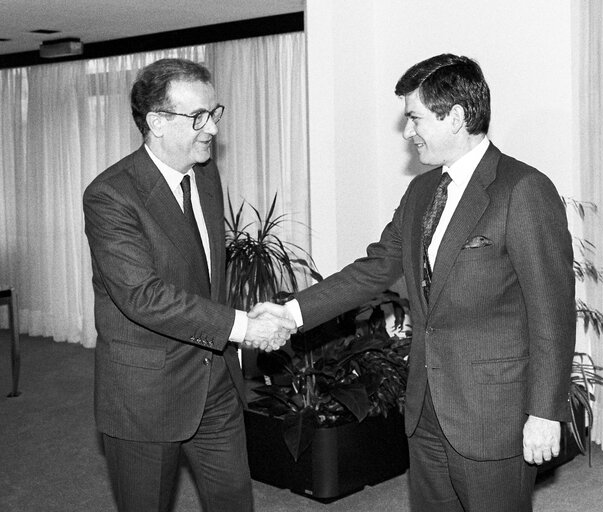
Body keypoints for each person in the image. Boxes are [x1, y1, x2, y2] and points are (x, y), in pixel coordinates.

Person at [284, 54, 575, 511]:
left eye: (415, 118)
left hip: (493, 413)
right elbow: (375, 268)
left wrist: (544, 412)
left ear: (456, 117)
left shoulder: (523, 190)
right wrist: (290, 313)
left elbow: (551, 313)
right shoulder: (422, 191)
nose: (407, 132)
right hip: (425, 410)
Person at [83, 58, 295, 512]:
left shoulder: (205, 174)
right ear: (157, 122)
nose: (212, 129)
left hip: (215, 377)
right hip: (147, 394)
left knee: (235, 502)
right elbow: (143, 296)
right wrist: (241, 327)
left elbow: (200, 275)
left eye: (214, 113)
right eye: (198, 117)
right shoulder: (111, 195)